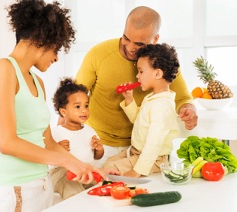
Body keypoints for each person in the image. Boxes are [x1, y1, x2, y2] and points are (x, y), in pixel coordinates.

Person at [0, 1, 105, 211]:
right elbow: (7, 142)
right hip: (9, 189)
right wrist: (66, 162)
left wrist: (82, 165)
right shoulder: (2, 69)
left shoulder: (38, 82)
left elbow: (48, 142)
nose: (56, 57)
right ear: (41, 39)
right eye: (55, 48)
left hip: (41, 185)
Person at [74, 6, 198, 167]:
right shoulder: (98, 54)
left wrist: (189, 110)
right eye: (126, 38)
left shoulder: (163, 63)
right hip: (96, 142)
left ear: (155, 39)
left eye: (139, 43)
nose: (130, 47)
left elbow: (183, 99)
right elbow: (73, 97)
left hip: (138, 147)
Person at [102, 43, 180, 177]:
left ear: (157, 73)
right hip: (136, 152)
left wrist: (137, 171)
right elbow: (139, 120)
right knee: (108, 162)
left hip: (153, 159)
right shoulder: (153, 98)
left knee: (109, 168)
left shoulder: (162, 105)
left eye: (141, 71)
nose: (137, 76)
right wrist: (129, 100)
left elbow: (153, 143)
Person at [49, 78, 104, 200]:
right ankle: (78, 205)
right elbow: (48, 158)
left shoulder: (89, 130)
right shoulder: (57, 131)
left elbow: (97, 156)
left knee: (99, 184)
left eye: (86, 105)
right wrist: (58, 149)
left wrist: (99, 149)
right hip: (62, 173)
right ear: (63, 111)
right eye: (78, 106)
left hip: (85, 170)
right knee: (72, 185)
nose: (84, 110)